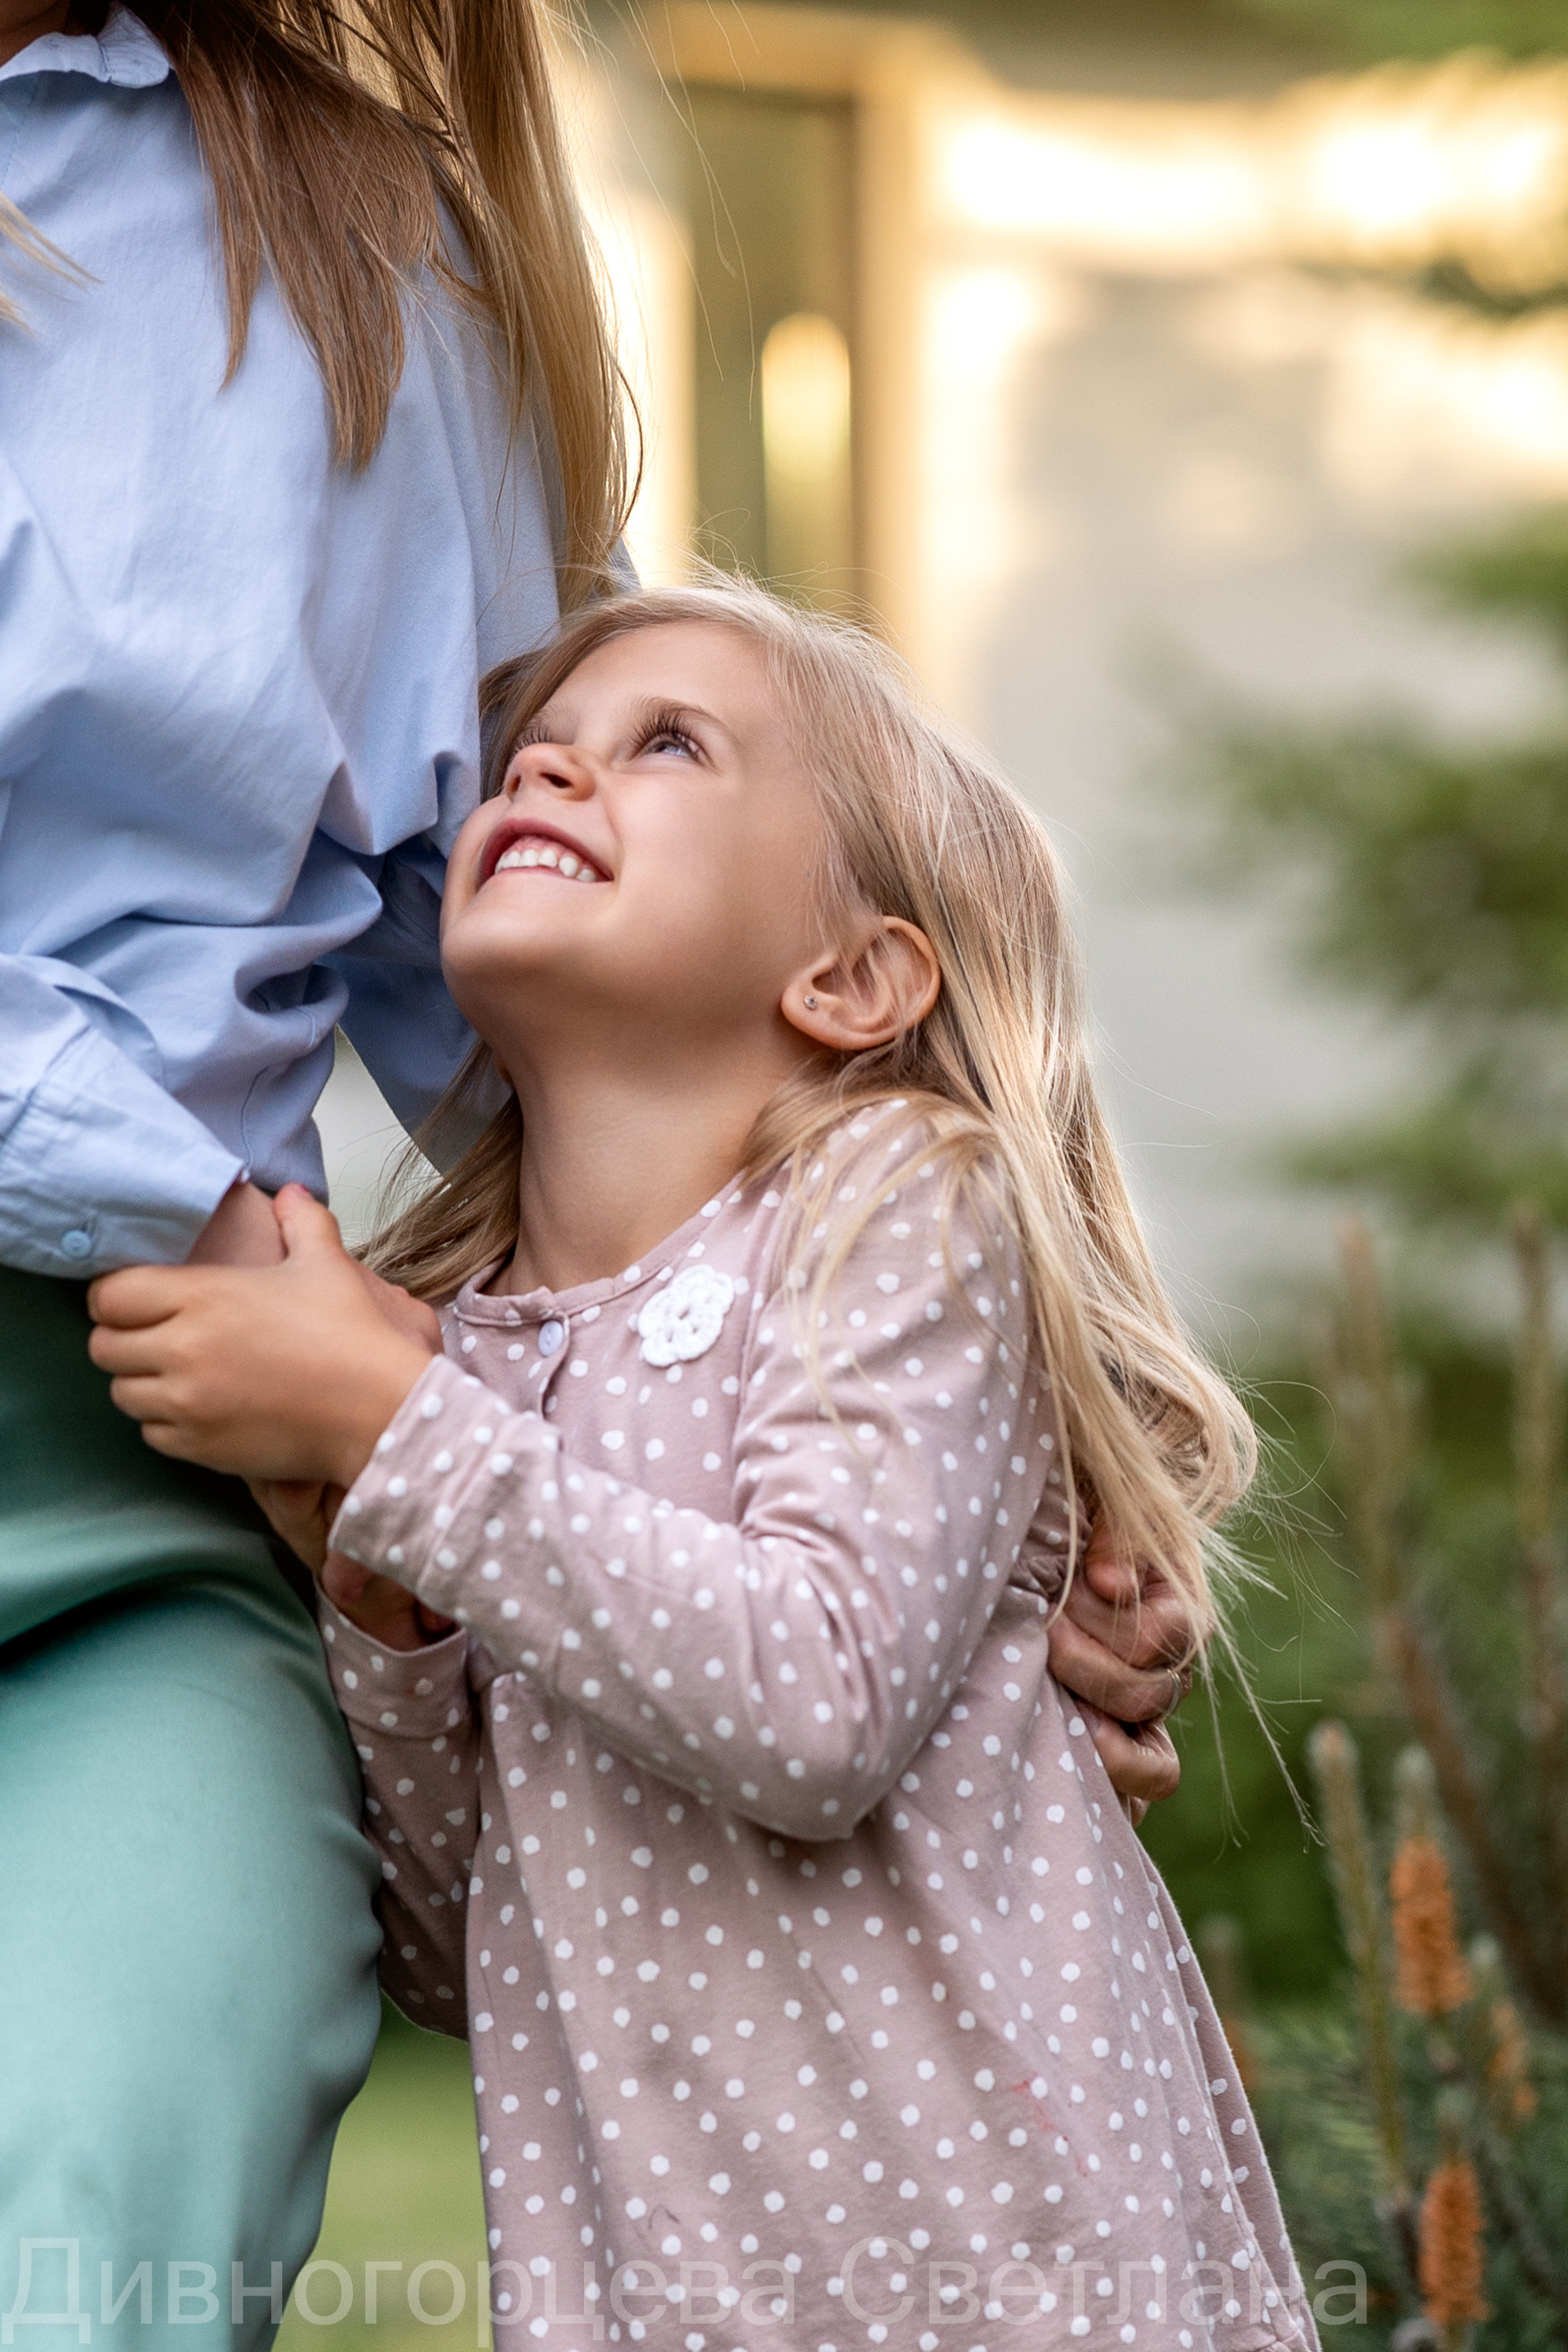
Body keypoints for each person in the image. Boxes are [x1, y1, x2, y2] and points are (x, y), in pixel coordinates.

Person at [90, 581, 1316, 2348]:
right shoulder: (462, 1350)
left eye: (665, 744)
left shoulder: (889, 1205)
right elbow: (454, 1949)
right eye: (533, 756)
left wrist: (389, 1435)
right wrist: (376, 1591)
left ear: (854, 974)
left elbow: (815, 1709)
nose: (554, 778)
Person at [0, 0, 625, 2330]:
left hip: (146, 1525)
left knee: (85, 2264)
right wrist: (146, 1176)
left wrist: (965, 1469)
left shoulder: (368, 259)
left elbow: (579, 1001)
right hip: (201, 1284)